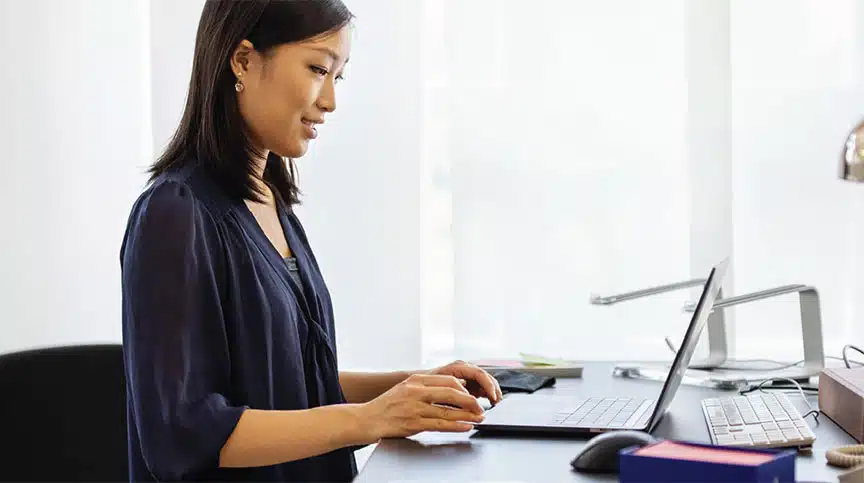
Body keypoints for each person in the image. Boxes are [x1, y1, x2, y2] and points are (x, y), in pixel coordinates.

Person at [120, 1, 503, 482]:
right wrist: (372, 418)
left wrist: (410, 390)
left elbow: (291, 385)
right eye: (318, 68)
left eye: (337, 77)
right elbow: (182, 432)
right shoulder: (175, 213)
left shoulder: (268, 201)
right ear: (242, 60)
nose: (330, 101)